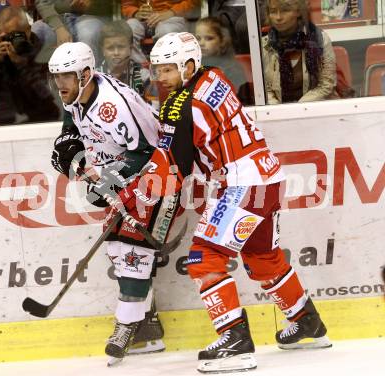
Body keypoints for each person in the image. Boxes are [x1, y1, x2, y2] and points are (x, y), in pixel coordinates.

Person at [104, 32, 332, 373]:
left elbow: (172, 168)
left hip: (241, 184)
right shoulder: (214, 76)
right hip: (267, 177)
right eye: (157, 70)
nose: (160, 78)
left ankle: (235, 340)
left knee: (204, 258)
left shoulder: (180, 106)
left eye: (167, 70)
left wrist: (131, 195)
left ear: (189, 65)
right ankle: (306, 322)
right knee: (263, 257)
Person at [48, 42, 181, 365]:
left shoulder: (113, 105)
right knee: (119, 249)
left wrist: (107, 175)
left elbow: (149, 152)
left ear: (85, 74)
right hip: (128, 177)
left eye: (66, 76)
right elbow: (73, 122)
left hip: (157, 175)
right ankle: (147, 327)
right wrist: (69, 144)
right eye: (56, 77)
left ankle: (127, 325)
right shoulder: (79, 93)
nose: (60, 84)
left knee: (131, 251)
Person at [0, 6, 60, 125]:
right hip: (6, 124)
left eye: (14, 35)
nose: (10, 41)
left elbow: (48, 96)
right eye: (5, 37)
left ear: (28, 30)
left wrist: (21, 64)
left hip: (42, 121)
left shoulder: (44, 53)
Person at [262, 0, 337, 104]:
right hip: (277, 112)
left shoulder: (319, 39)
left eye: (285, 10)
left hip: (315, 109)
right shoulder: (265, 45)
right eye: (273, 11)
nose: (278, 17)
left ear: (298, 11)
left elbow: (326, 84)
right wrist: (277, 110)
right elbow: (265, 89)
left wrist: (298, 109)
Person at [32, 0, 112, 63]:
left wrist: (92, 2)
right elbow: (42, 3)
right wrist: (58, 27)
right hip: (57, 17)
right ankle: (41, 79)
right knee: (37, 29)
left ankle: (89, 77)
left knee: (88, 33)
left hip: (90, 16)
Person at [122, 0, 200, 63]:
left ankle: (165, 67)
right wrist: (136, 13)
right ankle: (141, 69)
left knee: (166, 31)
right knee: (128, 29)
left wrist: (171, 12)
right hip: (143, 19)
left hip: (173, 16)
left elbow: (192, 2)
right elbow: (127, 4)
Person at [96, 20, 151, 99]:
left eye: (121, 47)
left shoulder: (143, 76)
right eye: (110, 48)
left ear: (130, 48)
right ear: (103, 51)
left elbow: (152, 106)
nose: (116, 53)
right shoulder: (96, 78)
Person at [195, 17, 246, 95]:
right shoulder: (195, 66)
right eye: (198, 38)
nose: (201, 43)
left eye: (209, 38)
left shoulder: (233, 69)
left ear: (222, 41)